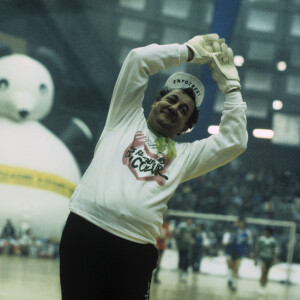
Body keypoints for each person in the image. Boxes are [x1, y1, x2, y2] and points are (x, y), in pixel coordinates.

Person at [59, 33, 248, 300]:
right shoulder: (124, 117)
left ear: (185, 128)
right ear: (156, 101)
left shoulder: (185, 156)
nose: (174, 107)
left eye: (183, 110)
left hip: (135, 249)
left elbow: (235, 141)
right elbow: (138, 60)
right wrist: (187, 52)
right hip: (86, 229)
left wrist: (231, 89)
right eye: (171, 99)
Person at [222, 217, 252, 291]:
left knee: (237, 268)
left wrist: (250, 252)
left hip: (240, 252)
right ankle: (230, 279)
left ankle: (234, 284)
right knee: (230, 267)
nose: (240, 224)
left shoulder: (247, 232)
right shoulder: (234, 231)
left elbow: (249, 243)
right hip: (231, 251)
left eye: (242, 223)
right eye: (239, 222)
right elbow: (227, 240)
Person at [254, 226, 277, 295]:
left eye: (267, 231)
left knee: (266, 273)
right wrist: (255, 259)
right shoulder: (261, 240)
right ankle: (261, 286)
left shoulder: (273, 241)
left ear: (270, 233)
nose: (266, 233)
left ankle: (264, 286)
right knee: (263, 271)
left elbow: (274, 252)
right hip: (262, 258)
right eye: (265, 231)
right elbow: (257, 249)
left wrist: (273, 260)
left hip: (269, 259)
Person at [153, 214, 171, 283]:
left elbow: (168, 235)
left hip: (161, 246)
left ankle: (156, 276)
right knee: (154, 261)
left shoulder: (166, 225)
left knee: (159, 262)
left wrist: (164, 237)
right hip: (156, 245)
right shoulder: (157, 223)